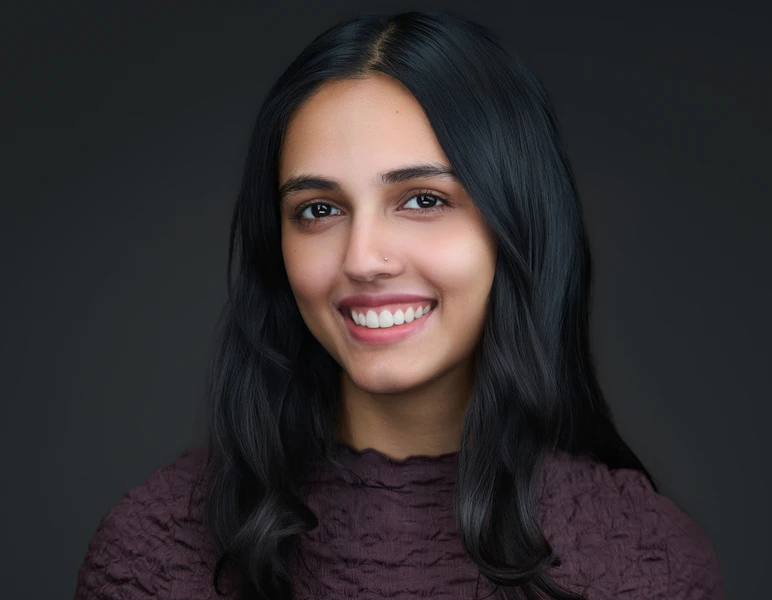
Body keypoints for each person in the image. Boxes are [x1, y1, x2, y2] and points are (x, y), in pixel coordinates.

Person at [73, 10, 725, 600]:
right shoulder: (151, 555)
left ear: (517, 226)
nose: (363, 258)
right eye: (319, 210)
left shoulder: (649, 566)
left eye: (423, 200)